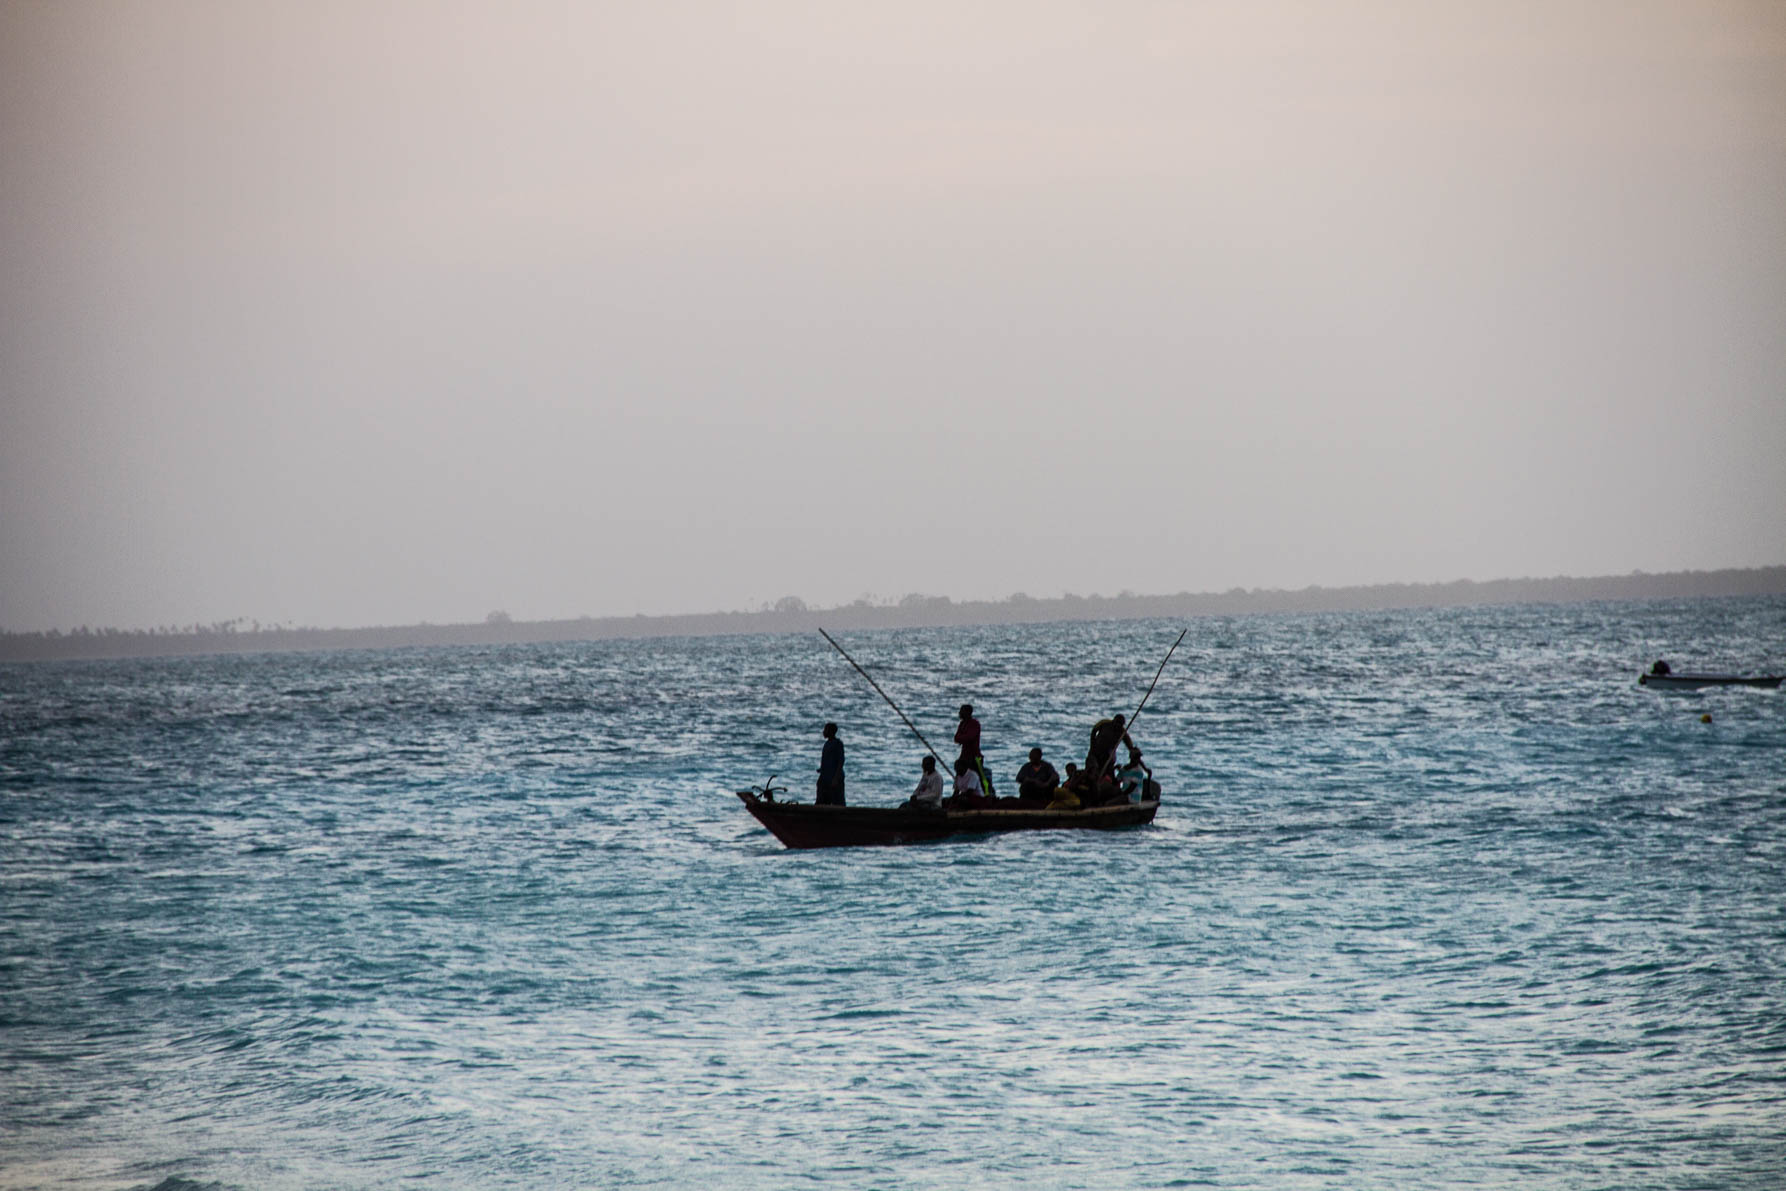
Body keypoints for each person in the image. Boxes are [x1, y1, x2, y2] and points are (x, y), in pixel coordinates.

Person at [954, 703, 995, 796]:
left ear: (968, 712)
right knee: (960, 774)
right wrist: (962, 737)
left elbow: (969, 737)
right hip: (964, 756)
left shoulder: (974, 724)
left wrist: (962, 737)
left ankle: (986, 795)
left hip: (975, 756)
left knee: (979, 776)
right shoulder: (962, 724)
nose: (959, 713)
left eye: (962, 711)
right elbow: (956, 738)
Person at [1086, 713, 1135, 781]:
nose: (1118, 725)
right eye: (1117, 723)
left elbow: (1129, 743)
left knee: (1107, 773)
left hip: (1108, 755)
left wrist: (1132, 750)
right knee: (1092, 769)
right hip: (1095, 751)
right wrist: (1092, 745)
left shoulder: (1122, 731)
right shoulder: (1104, 723)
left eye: (1120, 724)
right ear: (1113, 720)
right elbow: (1094, 731)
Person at [816, 722, 845, 805]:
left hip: (833, 778)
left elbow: (841, 761)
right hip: (825, 777)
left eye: (826, 730)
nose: (823, 732)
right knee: (822, 799)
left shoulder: (837, 744)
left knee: (837, 801)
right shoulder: (827, 744)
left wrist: (836, 778)